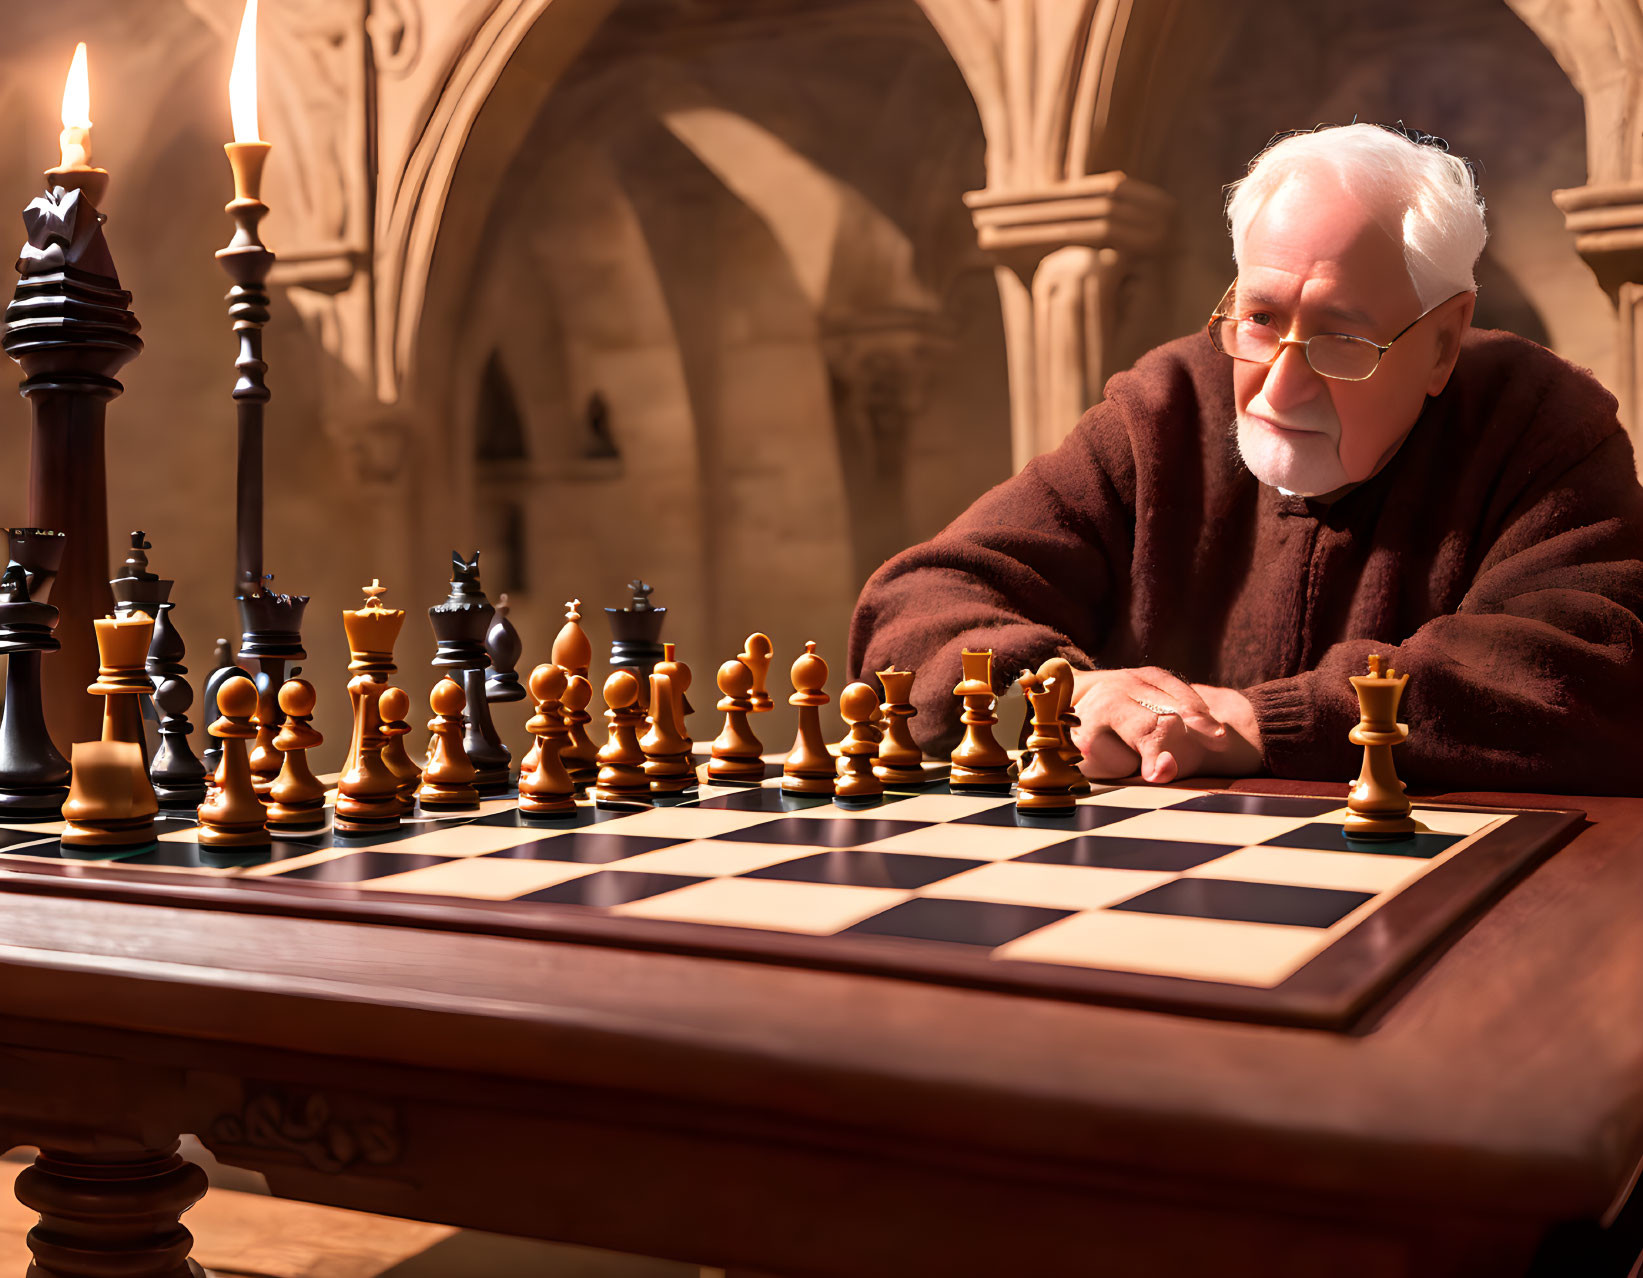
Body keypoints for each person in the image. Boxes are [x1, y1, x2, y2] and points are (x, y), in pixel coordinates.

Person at [847, 123, 1643, 793]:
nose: (1282, 389)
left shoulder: (1540, 422)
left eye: (1342, 337)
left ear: (1442, 340)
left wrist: (1265, 723)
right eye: (1259, 318)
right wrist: (1062, 693)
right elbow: (916, 600)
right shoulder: (1165, 406)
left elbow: (1596, 668)